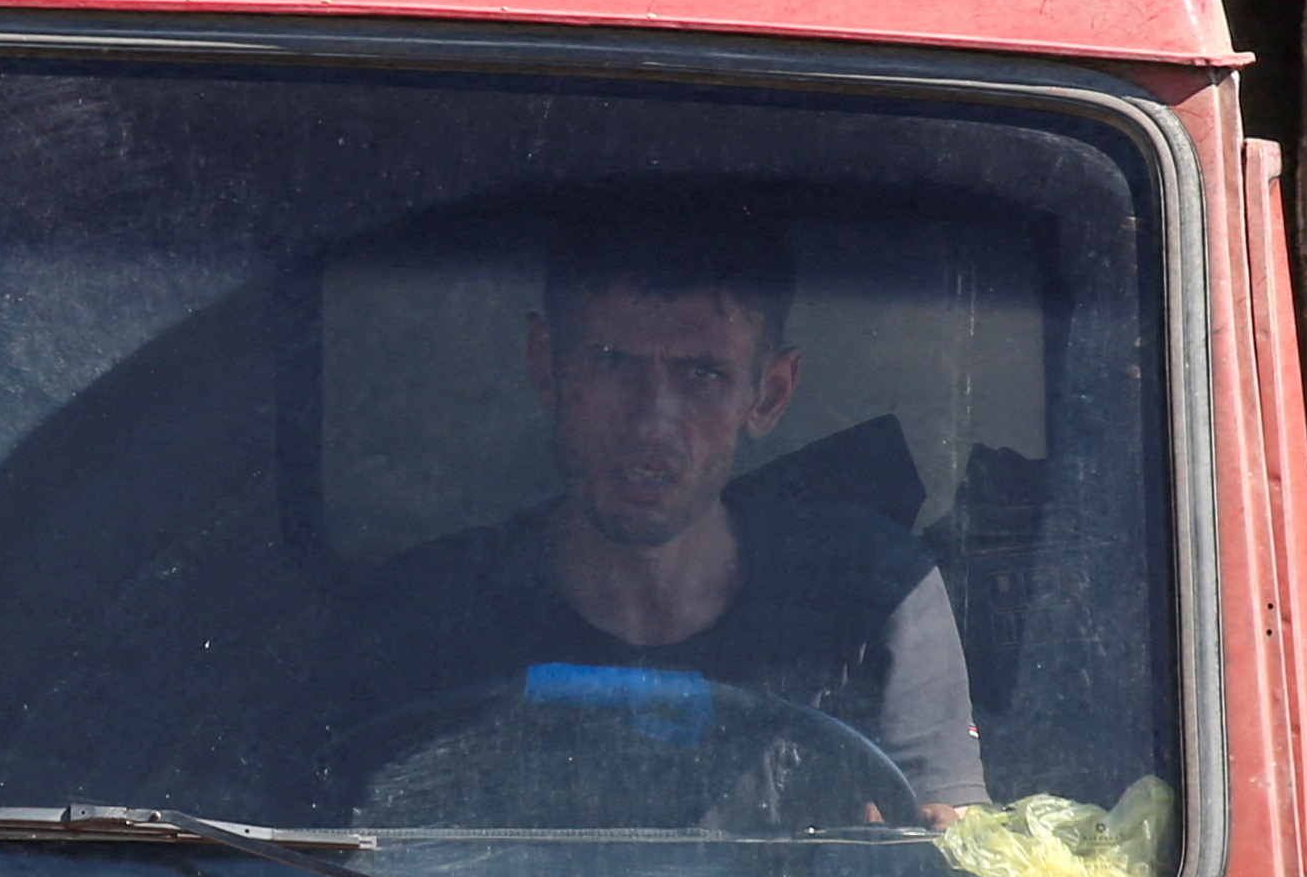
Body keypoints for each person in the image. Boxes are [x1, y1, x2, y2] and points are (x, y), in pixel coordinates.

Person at [312, 215, 985, 823]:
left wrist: (916, 844)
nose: (652, 420)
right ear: (547, 366)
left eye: (702, 374)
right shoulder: (420, 619)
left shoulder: (872, 598)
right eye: (613, 364)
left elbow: (950, 863)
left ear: (771, 392)